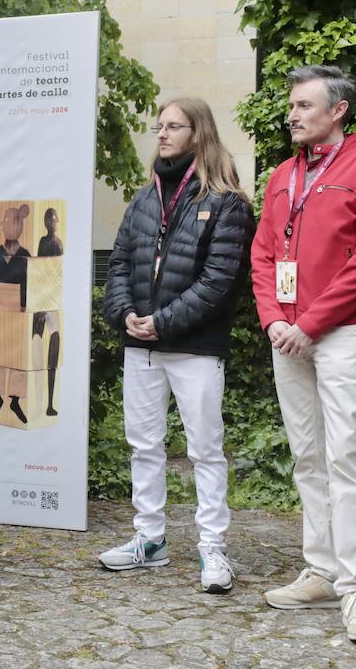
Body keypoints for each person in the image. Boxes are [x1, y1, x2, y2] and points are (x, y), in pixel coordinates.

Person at [251, 65, 356, 645]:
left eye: (305, 105)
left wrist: (309, 324)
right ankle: (321, 568)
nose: (293, 114)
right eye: (292, 105)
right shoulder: (282, 175)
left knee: (345, 459)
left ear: (338, 110)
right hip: (287, 333)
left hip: (340, 333)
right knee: (307, 456)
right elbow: (264, 255)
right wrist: (274, 321)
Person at [98, 97, 253, 594]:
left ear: (197, 133)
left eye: (173, 126)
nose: (162, 134)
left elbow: (219, 281)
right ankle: (150, 539)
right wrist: (125, 315)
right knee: (143, 445)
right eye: (159, 126)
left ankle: (213, 549)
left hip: (194, 348)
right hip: (141, 345)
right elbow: (118, 265)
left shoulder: (226, 202)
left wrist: (161, 323)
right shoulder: (144, 199)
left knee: (204, 448)